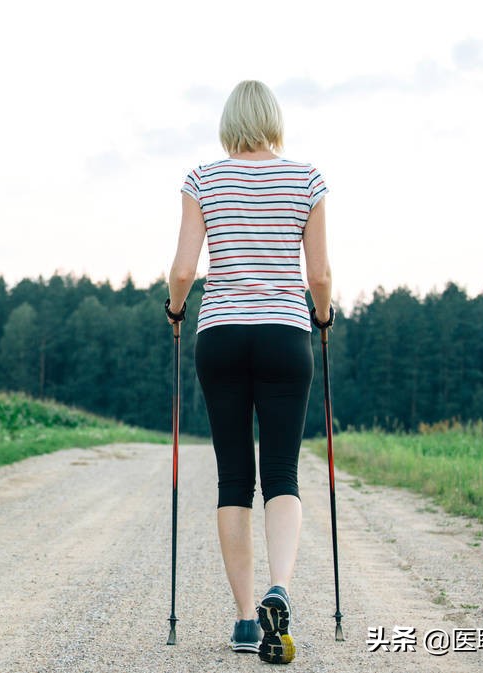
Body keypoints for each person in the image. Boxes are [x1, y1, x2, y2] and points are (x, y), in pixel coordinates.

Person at [164, 79, 332, 665]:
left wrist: (175, 307)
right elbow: (321, 277)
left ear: (229, 121)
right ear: (275, 119)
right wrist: (324, 315)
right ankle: (278, 587)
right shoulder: (306, 178)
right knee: (282, 471)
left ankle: (242, 621)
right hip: (287, 335)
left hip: (222, 336)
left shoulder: (202, 179)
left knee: (234, 477)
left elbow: (184, 267)